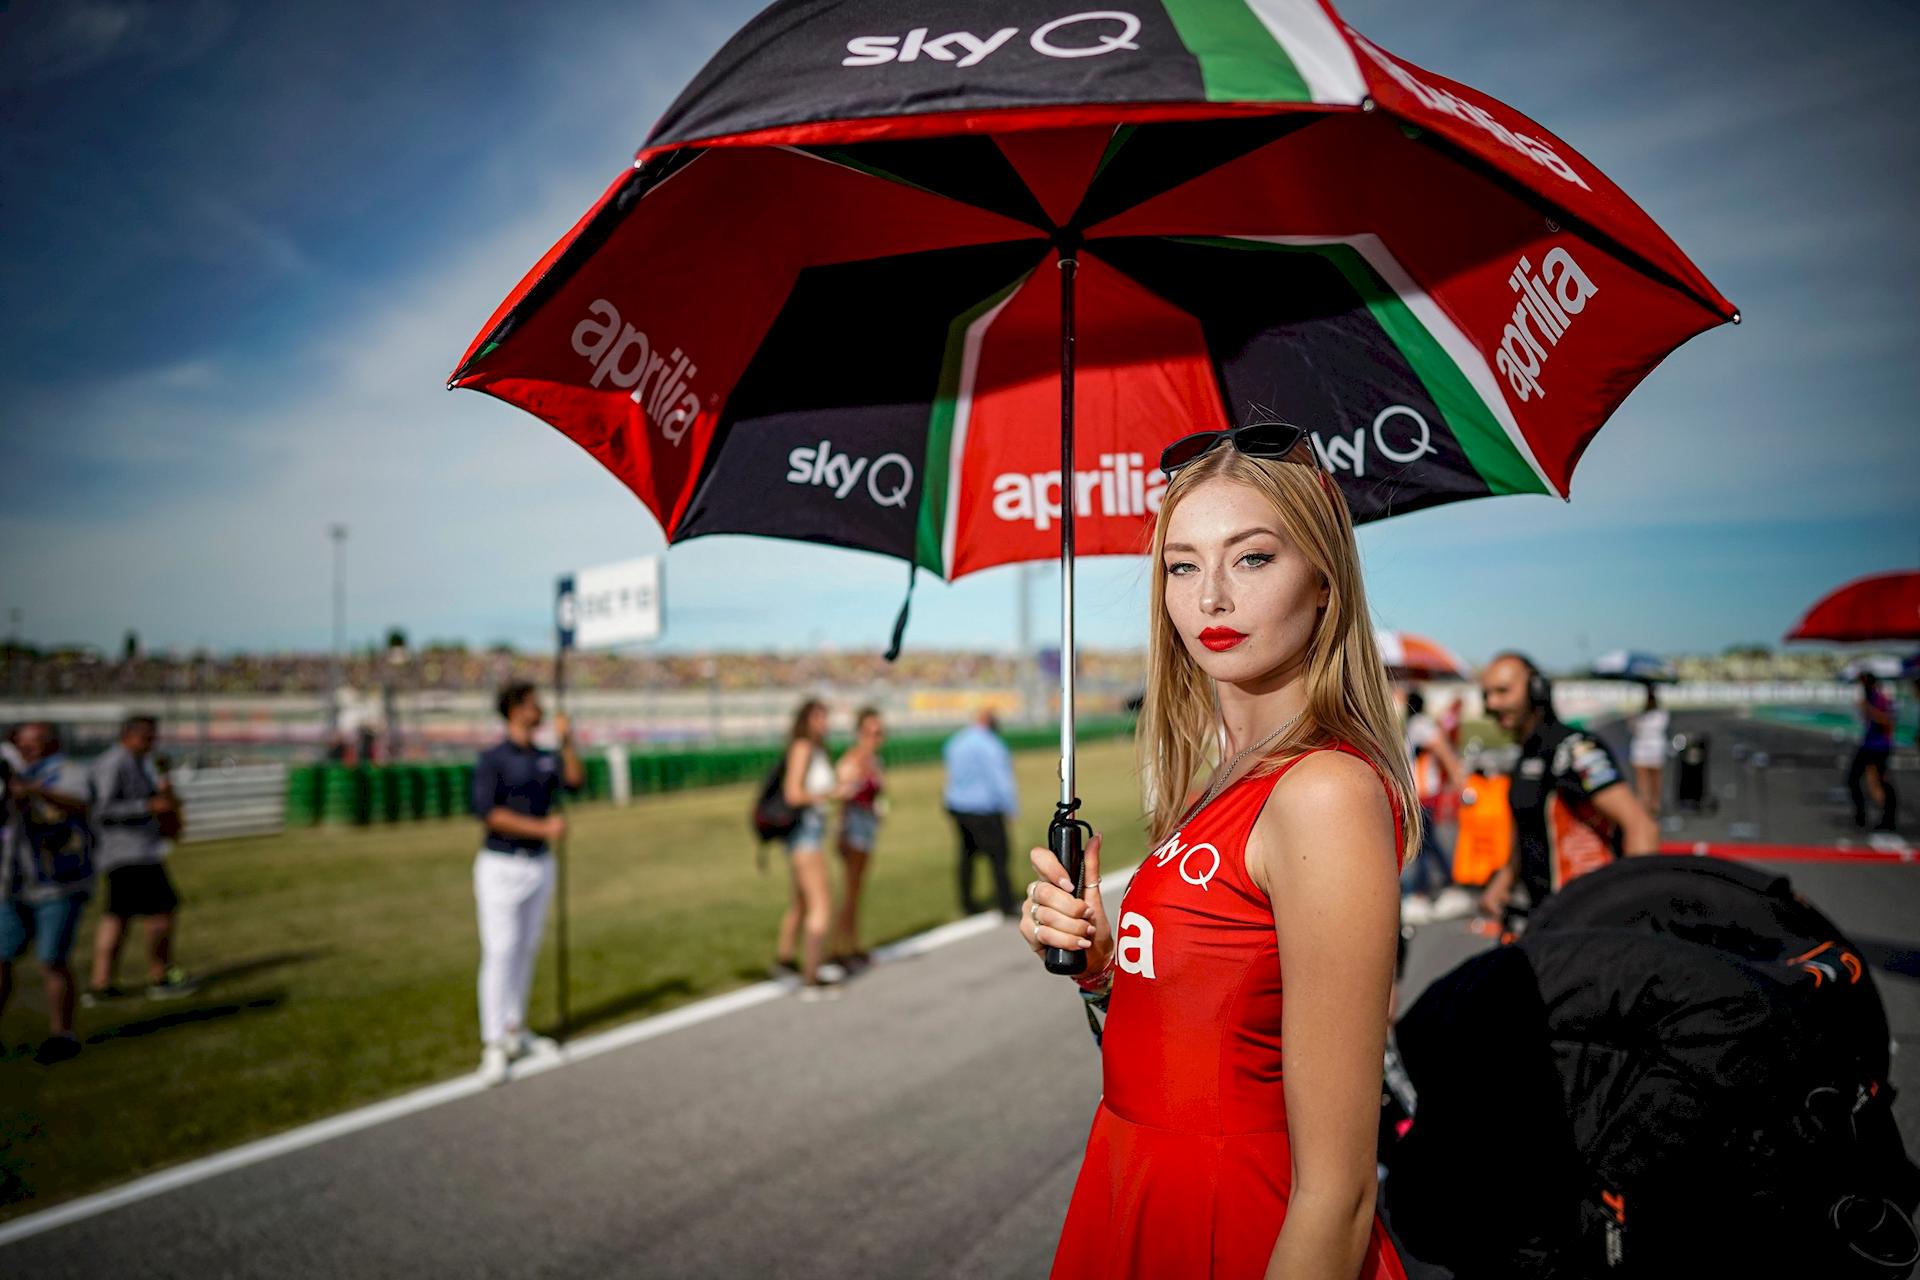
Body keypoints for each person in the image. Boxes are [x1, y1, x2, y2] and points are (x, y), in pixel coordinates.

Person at [1019, 420, 1414, 1279]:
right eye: (1183, 565)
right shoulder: (1216, 782)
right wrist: (1097, 967)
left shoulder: (1322, 794)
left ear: (1324, 583)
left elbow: (1338, 1195)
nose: (1212, 600)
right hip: (1133, 1189)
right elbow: (1189, 1054)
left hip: (1241, 1224)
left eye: (1254, 558)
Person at [1476, 654, 1660, 924]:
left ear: (1536, 690)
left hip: (1588, 920)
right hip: (1547, 918)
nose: (1492, 703)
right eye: (1486, 694)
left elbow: (1641, 826)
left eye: (1502, 691)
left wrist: (1632, 908)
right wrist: (1503, 880)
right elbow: (1528, 829)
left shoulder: (1574, 750)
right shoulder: (1526, 755)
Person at [471, 681, 582, 1084]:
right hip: (501, 864)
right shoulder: (494, 759)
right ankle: (494, 1041)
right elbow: (488, 813)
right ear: (515, 709)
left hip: (539, 865)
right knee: (500, 950)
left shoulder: (545, 757)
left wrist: (567, 740)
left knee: (526, 948)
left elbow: (574, 781)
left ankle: (516, 1027)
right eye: (534, 704)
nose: (541, 709)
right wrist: (543, 828)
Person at [86, 715, 197, 1003]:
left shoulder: (137, 761)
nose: (152, 742)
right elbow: (100, 809)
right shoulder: (115, 762)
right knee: (162, 910)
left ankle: (101, 983)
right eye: (147, 736)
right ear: (129, 735)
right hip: (129, 852)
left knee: (117, 916)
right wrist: (148, 805)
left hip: (133, 851)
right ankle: (160, 976)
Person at [1, 723, 95, 1063]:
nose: (27, 749)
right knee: (1, 957)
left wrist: (35, 792)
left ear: (52, 743)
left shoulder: (69, 772)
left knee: (52, 959)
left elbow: (81, 805)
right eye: (21, 743)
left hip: (60, 882)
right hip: (13, 882)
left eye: (35, 743)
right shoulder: (10, 776)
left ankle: (62, 1034)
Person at [771, 698, 848, 1001]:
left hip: (810, 833)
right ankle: (811, 976)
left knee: (802, 902)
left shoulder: (816, 749)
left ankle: (785, 959)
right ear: (807, 719)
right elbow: (793, 794)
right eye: (820, 717)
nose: (825, 723)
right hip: (805, 836)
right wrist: (831, 793)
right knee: (821, 904)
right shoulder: (802, 748)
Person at [1399, 690, 1471, 926]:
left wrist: (1459, 781)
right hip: (1421, 795)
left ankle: (1421, 893)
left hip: (1424, 796)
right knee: (1428, 845)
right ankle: (1438, 888)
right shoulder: (1415, 725)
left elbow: (1443, 750)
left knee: (1421, 845)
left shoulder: (1420, 724)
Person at [943, 707, 1019, 919]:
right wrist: (1011, 806)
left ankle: (967, 903)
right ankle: (1005, 903)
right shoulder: (992, 745)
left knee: (966, 856)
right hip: (984, 808)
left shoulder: (957, 741)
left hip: (959, 806)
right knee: (999, 857)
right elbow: (1001, 778)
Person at [830, 706, 886, 970]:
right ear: (859, 733)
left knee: (857, 889)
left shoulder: (875, 762)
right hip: (853, 828)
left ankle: (851, 944)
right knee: (849, 890)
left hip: (868, 828)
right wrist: (840, 832)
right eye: (870, 732)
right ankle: (838, 948)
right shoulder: (851, 761)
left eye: (879, 733)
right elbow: (841, 798)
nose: (875, 738)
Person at [1847, 670, 1897, 833]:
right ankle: (1861, 815)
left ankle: (1888, 818)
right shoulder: (1868, 698)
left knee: (1880, 782)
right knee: (1853, 779)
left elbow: (1888, 722)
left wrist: (1868, 710)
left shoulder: (1881, 698)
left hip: (1880, 746)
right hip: (1868, 745)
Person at [1629, 684, 1671, 817]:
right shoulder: (1639, 714)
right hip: (1640, 748)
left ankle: (1654, 804)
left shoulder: (1661, 714)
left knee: (1655, 779)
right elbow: (1634, 730)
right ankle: (1643, 804)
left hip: (1655, 748)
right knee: (1641, 779)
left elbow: (1658, 728)